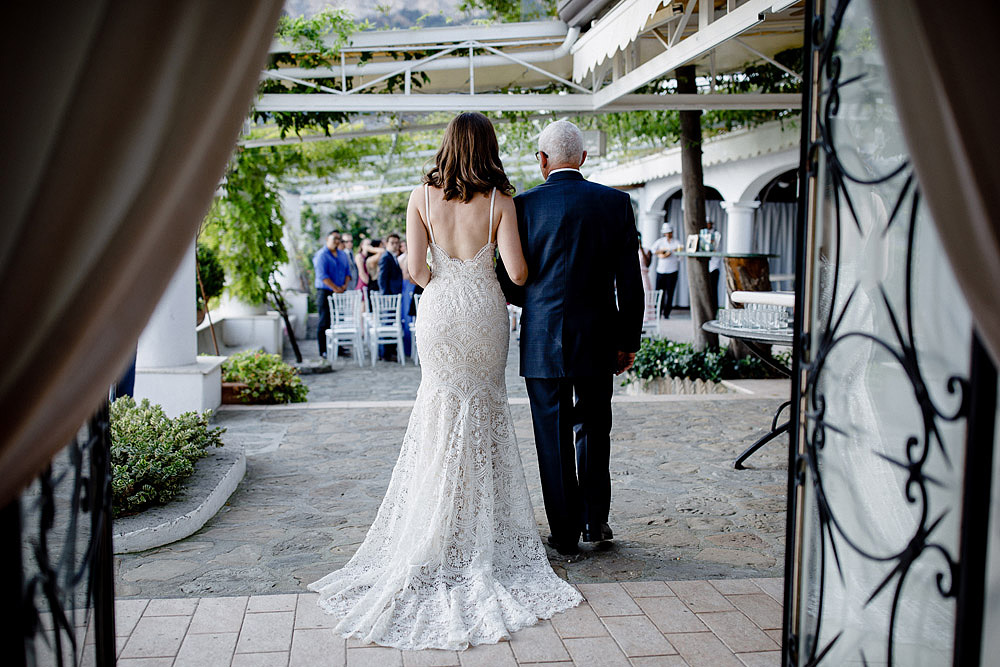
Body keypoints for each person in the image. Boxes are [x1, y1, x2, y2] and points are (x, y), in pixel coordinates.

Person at [308, 112, 581, 650]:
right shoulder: (501, 200)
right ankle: (476, 532)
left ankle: (436, 529)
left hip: (439, 313)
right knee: (482, 414)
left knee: (438, 413)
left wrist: (443, 278)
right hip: (483, 311)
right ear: (489, 148)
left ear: (447, 146)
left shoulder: (421, 197)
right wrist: (482, 273)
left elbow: (414, 269)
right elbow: (519, 274)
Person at [497, 119, 645, 557]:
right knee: (596, 427)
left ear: (541, 161)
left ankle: (563, 533)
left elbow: (508, 279)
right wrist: (628, 339)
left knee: (552, 434)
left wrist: (536, 302)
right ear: (583, 157)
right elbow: (629, 281)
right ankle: (596, 520)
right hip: (599, 336)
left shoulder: (521, 206)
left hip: (542, 337)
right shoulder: (615, 203)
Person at [313, 231, 350, 358]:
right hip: (325, 292)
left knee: (338, 320)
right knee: (324, 321)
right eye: (334, 238)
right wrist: (335, 288)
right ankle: (323, 350)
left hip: (340, 291)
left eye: (339, 239)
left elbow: (347, 272)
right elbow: (322, 276)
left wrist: (344, 286)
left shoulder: (342, 255)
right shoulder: (321, 255)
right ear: (327, 239)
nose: (337, 241)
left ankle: (338, 348)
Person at [648, 222, 683, 318]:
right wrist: (662, 252)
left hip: (672, 271)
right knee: (659, 292)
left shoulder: (677, 243)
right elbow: (652, 250)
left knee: (670, 293)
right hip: (661, 270)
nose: (668, 234)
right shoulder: (660, 241)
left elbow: (681, 257)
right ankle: (657, 312)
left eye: (670, 232)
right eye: (667, 232)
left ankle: (667, 313)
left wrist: (673, 253)